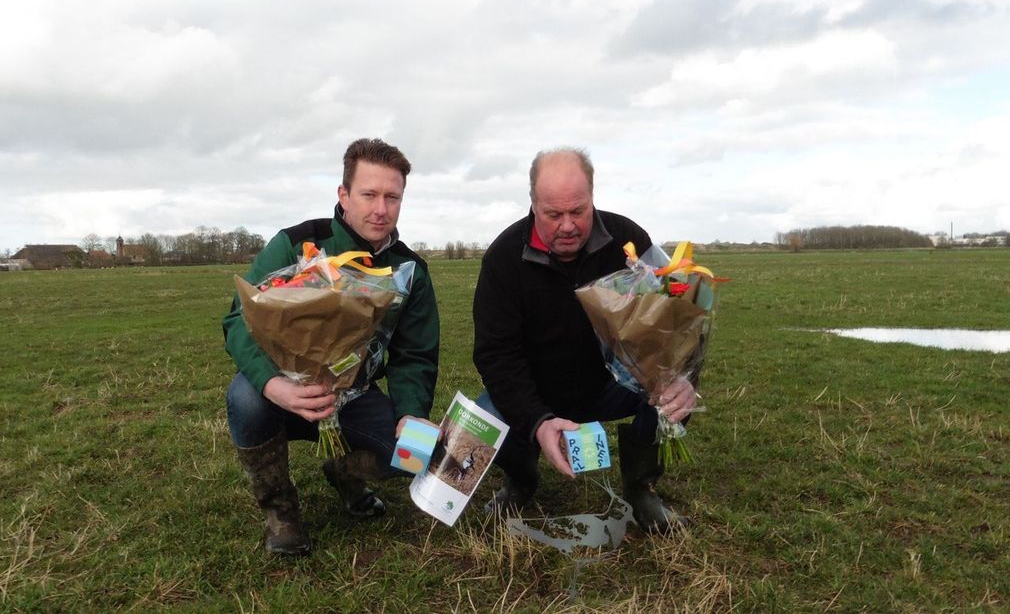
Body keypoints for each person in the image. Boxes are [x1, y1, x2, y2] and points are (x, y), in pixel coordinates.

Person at [223, 138, 439, 556]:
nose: (381, 208)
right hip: (287, 393)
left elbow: (415, 354)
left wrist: (412, 413)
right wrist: (274, 385)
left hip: (355, 395)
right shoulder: (296, 243)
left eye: (392, 197)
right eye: (369, 194)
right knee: (245, 399)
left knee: (413, 454)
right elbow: (239, 319)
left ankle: (342, 470)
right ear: (343, 194)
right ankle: (280, 513)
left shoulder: (410, 270)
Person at [472, 147, 697, 533]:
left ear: (593, 196)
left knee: (674, 388)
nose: (567, 226)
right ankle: (520, 481)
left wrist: (682, 375)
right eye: (553, 214)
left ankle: (642, 489)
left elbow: (673, 322)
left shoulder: (627, 240)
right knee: (488, 414)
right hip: (536, 390)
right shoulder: (503, 258)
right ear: (532, 203)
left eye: (578, 211)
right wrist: (538, 420)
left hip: (611, 386)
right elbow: (496, 355)